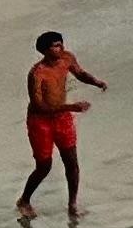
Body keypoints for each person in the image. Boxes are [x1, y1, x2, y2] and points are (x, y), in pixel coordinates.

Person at [18, 30, 104, 218]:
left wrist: (95, 82)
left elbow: (79, 73)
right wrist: (72, 106)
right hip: (40, 121)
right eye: (56, 46)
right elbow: (39, 106)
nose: (61, 48)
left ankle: (72, 205)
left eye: (61, 43)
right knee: (44, 166)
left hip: (62, 117)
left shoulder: (66, 58)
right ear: (45, 51)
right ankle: (24, 200)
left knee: (71, 161)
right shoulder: (36, 74)